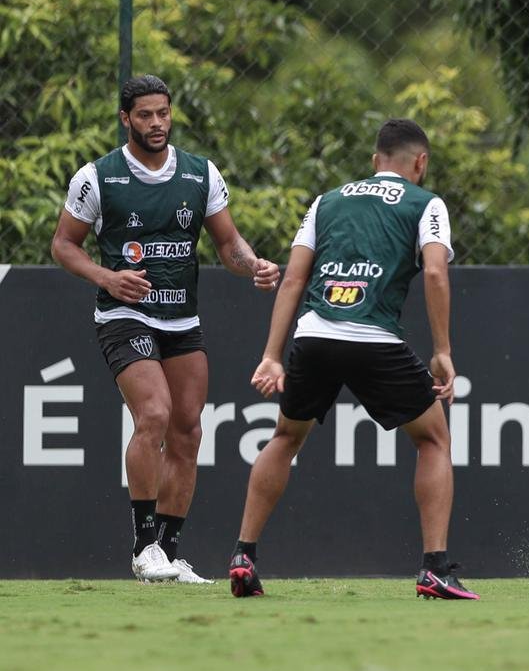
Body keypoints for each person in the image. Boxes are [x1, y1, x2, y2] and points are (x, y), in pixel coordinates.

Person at [227, 118, 477, 600]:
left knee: (284, 438)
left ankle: (244, 555)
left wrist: (272, 356)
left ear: (373, 160)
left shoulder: (328, 200)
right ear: (420, 162)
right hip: (375, 340)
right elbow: (435, 275)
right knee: (433, 439)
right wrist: (442, 351)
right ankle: (434, 568)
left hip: (314, 335)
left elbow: (295, 279)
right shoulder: (427, 204)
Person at [51, 75, 280, 583]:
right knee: (152, 413)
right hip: (123, 313)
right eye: (146, 115)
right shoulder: (98, 177)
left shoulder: (200, 174)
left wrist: (254, 265)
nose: (156, 124)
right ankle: (142, 547)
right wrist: (107, 276)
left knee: (188, 429)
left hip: (182, 316)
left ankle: (170, 553)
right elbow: (64, 244)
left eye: (163, 114)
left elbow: (228, 244)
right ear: (125, 118)